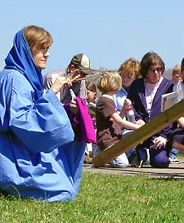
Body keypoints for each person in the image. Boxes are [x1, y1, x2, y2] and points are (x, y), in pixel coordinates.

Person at [0, 26, 86, 201]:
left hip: (22, 148)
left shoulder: (25, 76)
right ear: (26, 49)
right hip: (13, 154)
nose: (47, 54)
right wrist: (51, 95)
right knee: (62, 192)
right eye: (41, 48)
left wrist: (68, 109)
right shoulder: (15, 79)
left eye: (47, 49)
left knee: (64, 185)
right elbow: (21, 122)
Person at [127, 52, 184, 168]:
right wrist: (138, 118)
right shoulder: (137, 85)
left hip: (160, 133)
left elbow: (173, 115)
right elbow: (130, 104)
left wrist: (165, 136)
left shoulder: (169, 86)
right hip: (140, 130)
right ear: (146, 71)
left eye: (159, 69)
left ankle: (161, 152)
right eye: (152, 70)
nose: (156, 72)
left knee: (160, 162)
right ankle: (139, 153)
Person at [94, 71, 143, 167]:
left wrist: (124, 107)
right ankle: (102, 153)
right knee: (122, 164)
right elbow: (120, 122)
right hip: (108, 139)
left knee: (135, 135)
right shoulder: (105, 101)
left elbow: (117, 118)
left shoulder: (110, 99)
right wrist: (137, 127)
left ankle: (122, 155)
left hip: (116, 137)